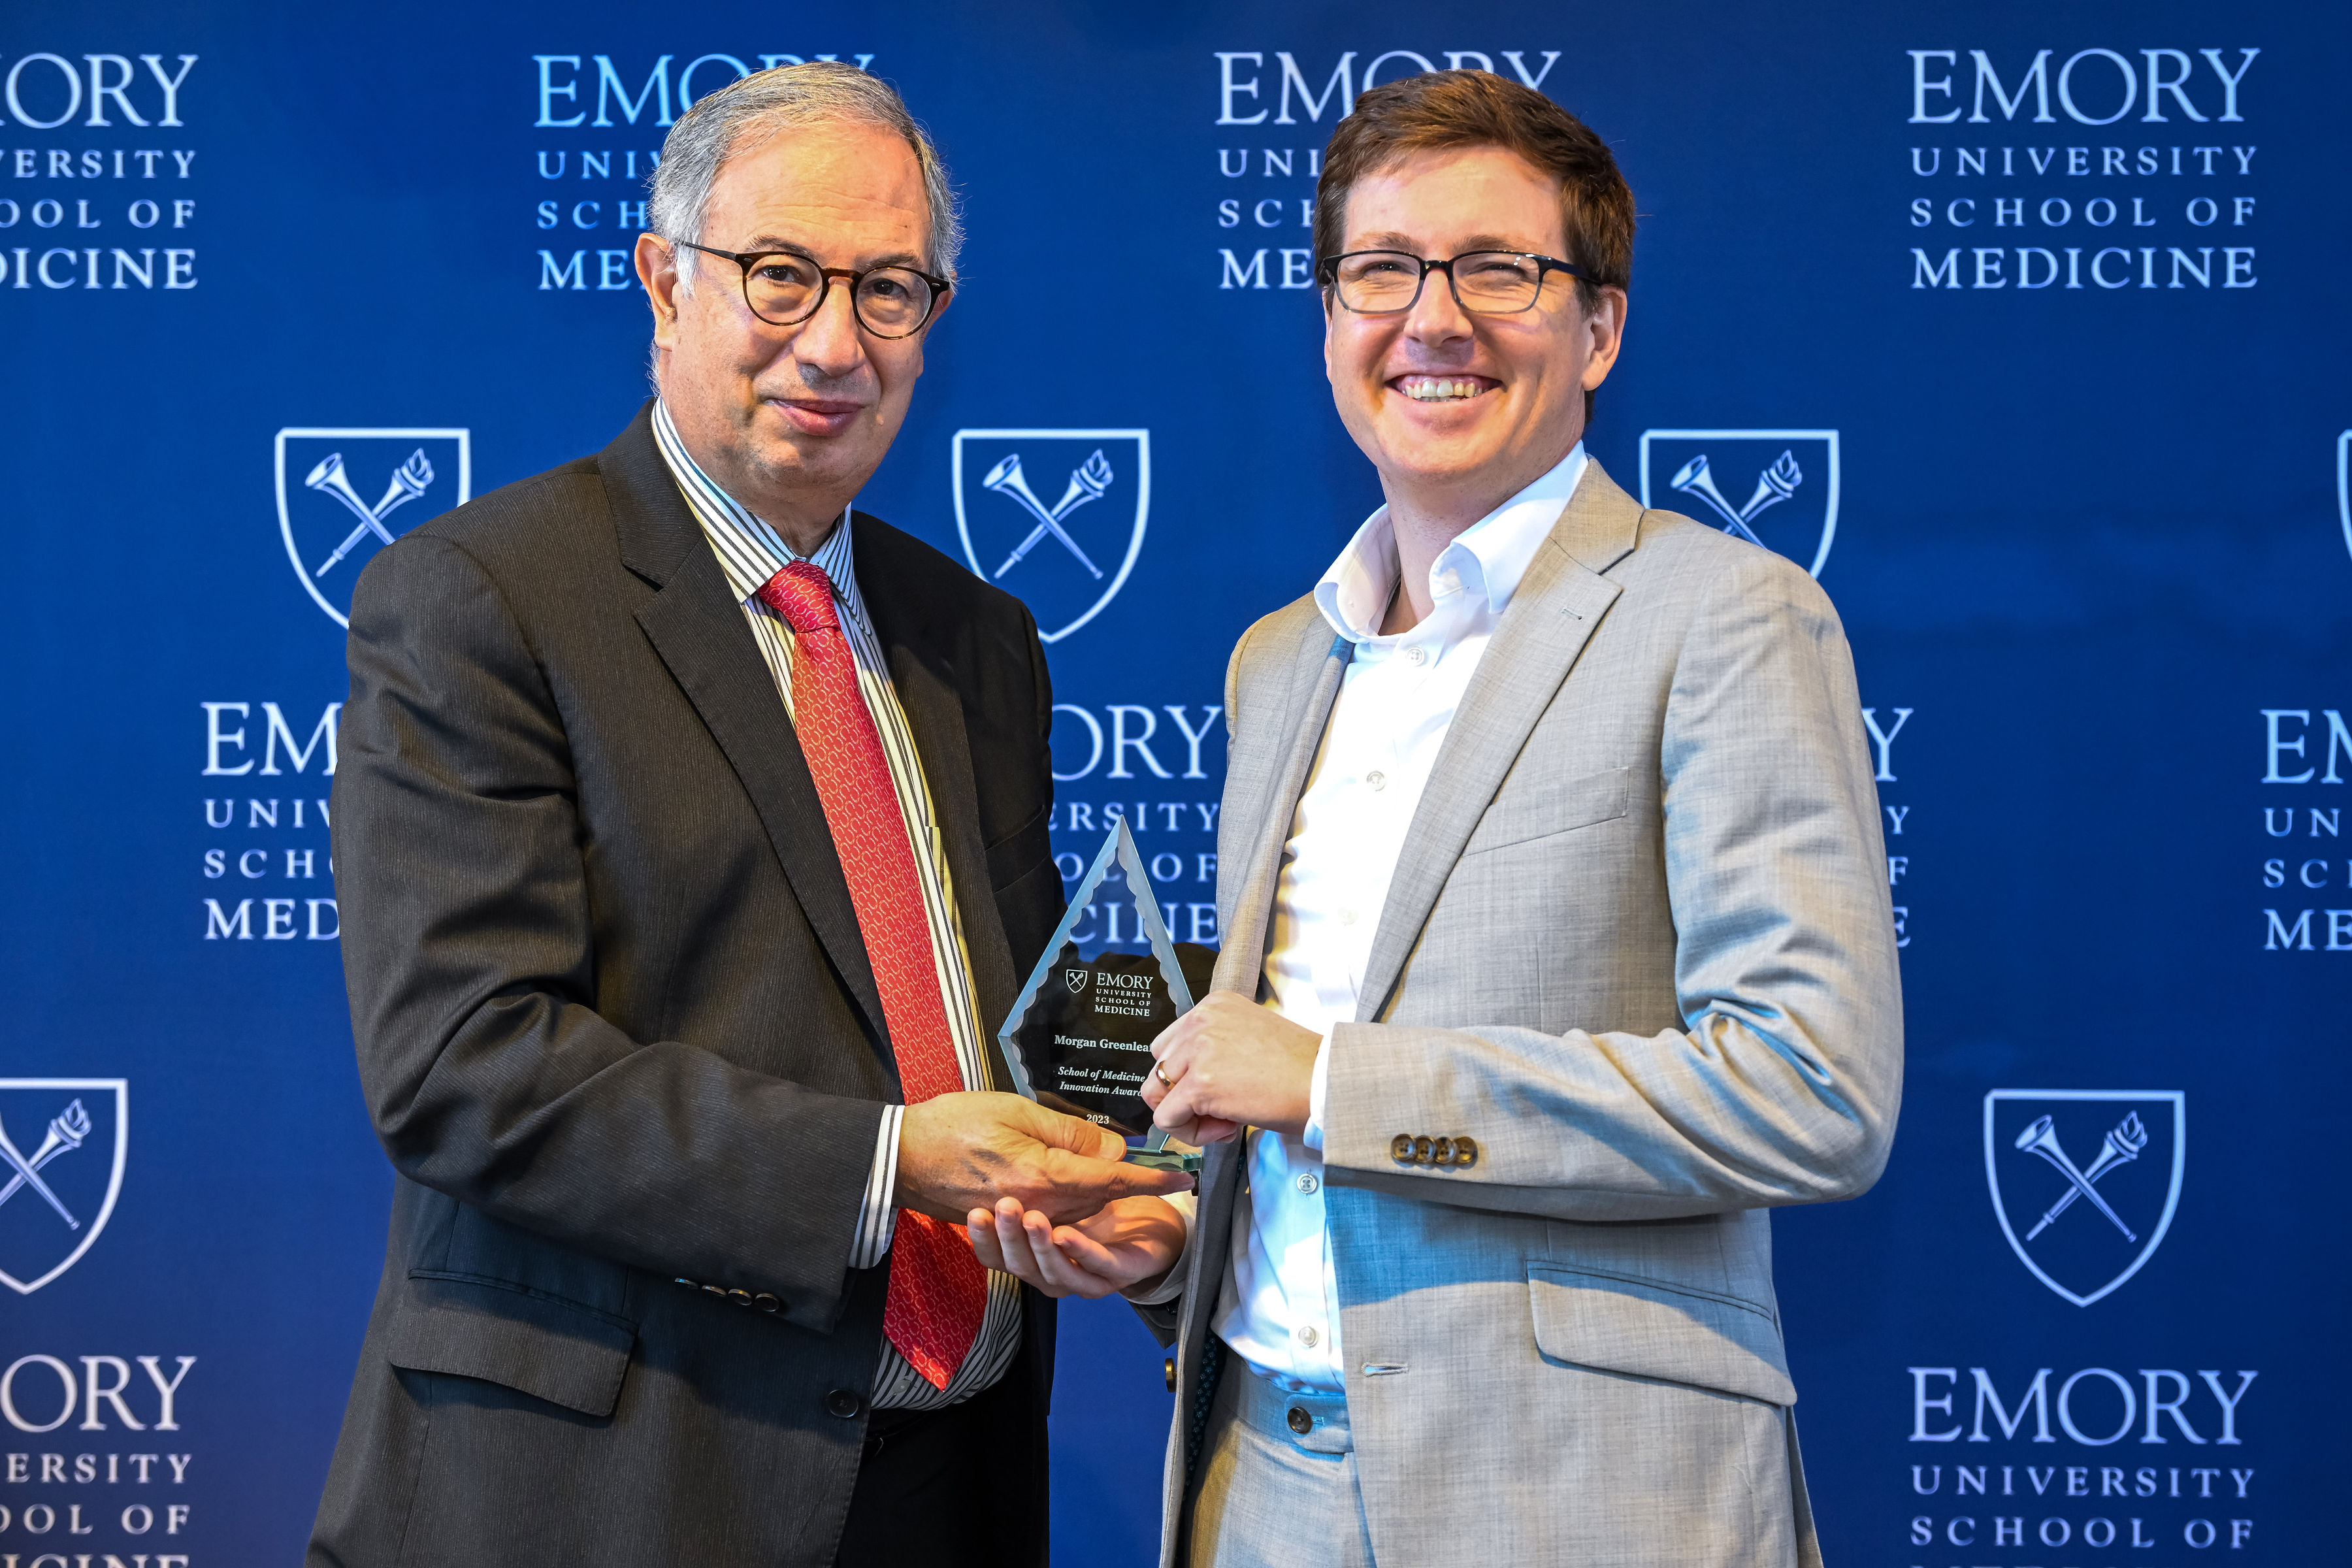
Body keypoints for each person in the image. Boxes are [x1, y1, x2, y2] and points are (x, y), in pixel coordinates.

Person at [970, 69, 1903, 1568]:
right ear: (1330, 320)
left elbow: (1811, 1088)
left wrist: (1340, 1081)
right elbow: (1273, 1123)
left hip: (1585, 1498)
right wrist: (1175, 1250)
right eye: (1384, 270)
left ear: (1599, 327)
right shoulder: (1278, 659)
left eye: (1498, 270)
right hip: (1253, 1479)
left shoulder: (1726, 618)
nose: (1434, 317)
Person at [309, 63, 1185, 1568]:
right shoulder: (486, 596)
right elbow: (463, 1067)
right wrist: (893, 1164)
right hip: (614, 1495)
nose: (834, 344)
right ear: (663, 282)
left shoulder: (977, 635)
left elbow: (1040, 1028)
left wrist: (1149, 1211)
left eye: (890, 291)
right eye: (780, 277)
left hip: (950, 1482)